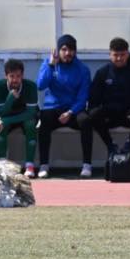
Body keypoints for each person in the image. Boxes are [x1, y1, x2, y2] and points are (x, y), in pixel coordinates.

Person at [86, 37, 130, 161]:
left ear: (127, 54)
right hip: (109, 116)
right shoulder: (102, 73)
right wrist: (96, 112)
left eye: (122, 55)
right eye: (115, 55)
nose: (119, 58)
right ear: (110, 55)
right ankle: (110, 145)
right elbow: (93, 100)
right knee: (93, 113)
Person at [36, 34, 93, 178]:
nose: (68, 53)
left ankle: (87, 165)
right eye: (64, 49)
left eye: (71, 50)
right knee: (43, 119)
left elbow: (83, 97)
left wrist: (70, 112)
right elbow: (40, 85)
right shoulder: (48, 64)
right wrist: (50, 65)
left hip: (73, 110)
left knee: (86, 121)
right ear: (58, 50)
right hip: (52, 109)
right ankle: (44, 165)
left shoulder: (83, 70)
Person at [0, 58, 39, 178]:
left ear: (23, 75)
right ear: (6, 76)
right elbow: (1, 113)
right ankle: (2, 163)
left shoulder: (30, 86)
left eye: (18, 76)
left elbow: (30, 113)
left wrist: (6, 120)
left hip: (25, 116)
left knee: (30, 123)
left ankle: (29, 165)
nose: (15, 79)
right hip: (7, 114)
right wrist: (10, 98)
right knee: (0, 126)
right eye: (12, 76)